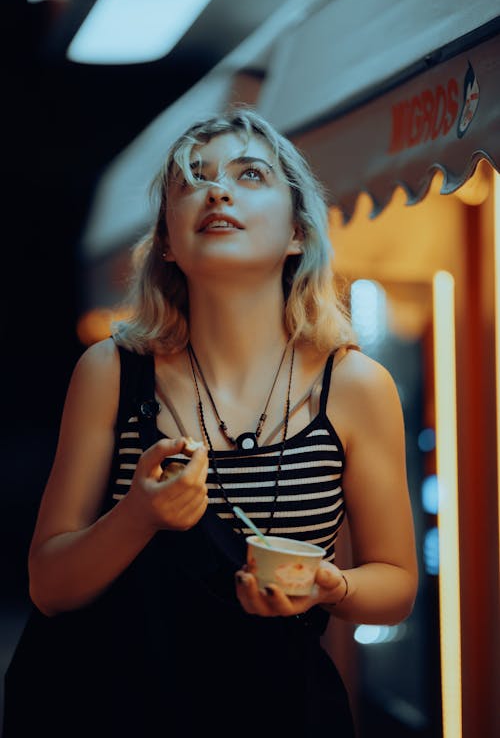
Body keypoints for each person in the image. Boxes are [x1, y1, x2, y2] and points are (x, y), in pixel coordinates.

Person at [20, 107, 418, 737]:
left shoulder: (357, 386)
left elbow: (395, 582)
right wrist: (137, 516)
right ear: (169, 244)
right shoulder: (112, 373)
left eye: (250, 175)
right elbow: (48, 585)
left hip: (283, 712)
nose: (217, 190)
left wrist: (328, 586)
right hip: (125, 712)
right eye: (193, 180)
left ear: (296, 233)